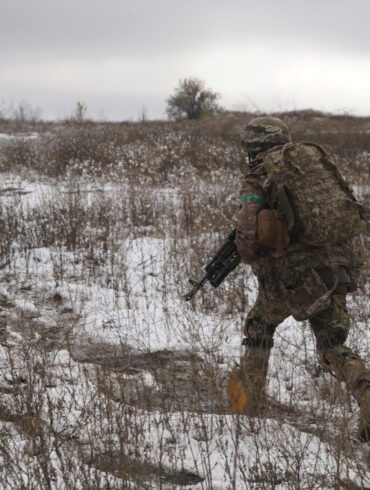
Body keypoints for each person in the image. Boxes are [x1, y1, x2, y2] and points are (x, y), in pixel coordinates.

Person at [228, 116, 370, 442]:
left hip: (291, 277)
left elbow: (248, 236)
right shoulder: (310, 166)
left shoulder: (258, 175)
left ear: (252, 148)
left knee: (260, 326)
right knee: (333, 344)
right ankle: (367, 392)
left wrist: (250, 252)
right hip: (337, 266)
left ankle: (249, 405)